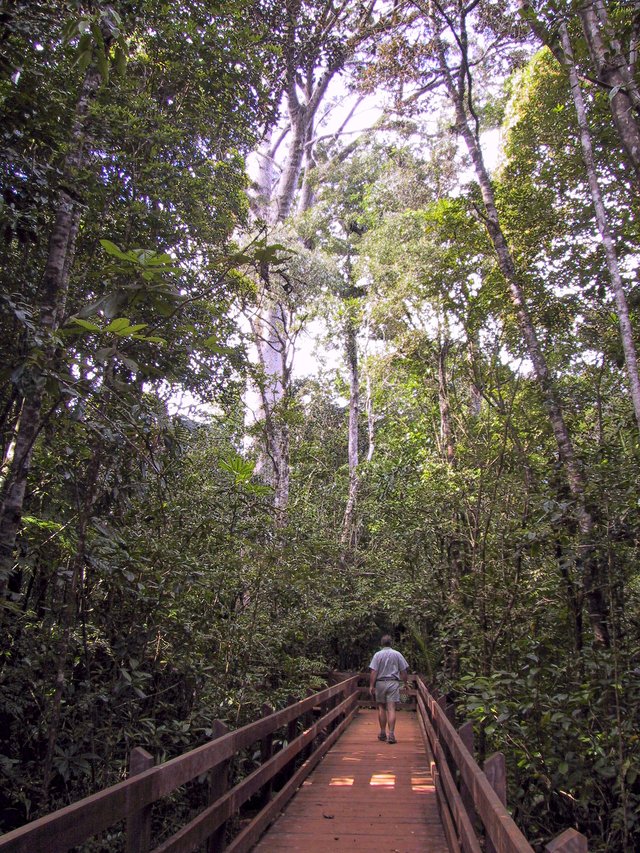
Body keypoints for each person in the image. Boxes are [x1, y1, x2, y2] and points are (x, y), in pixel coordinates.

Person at [368, 635, 409, 744]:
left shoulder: (377, 655)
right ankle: (391, 734)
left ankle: (382, 733)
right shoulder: (397, 654)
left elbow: (374, 672)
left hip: (380, 682)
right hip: (393, 682)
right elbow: (403, 671)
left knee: (381, 707)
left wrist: (371, 685)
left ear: (382, 643)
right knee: (391, 708)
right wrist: (405, 683)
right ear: (391, 643)